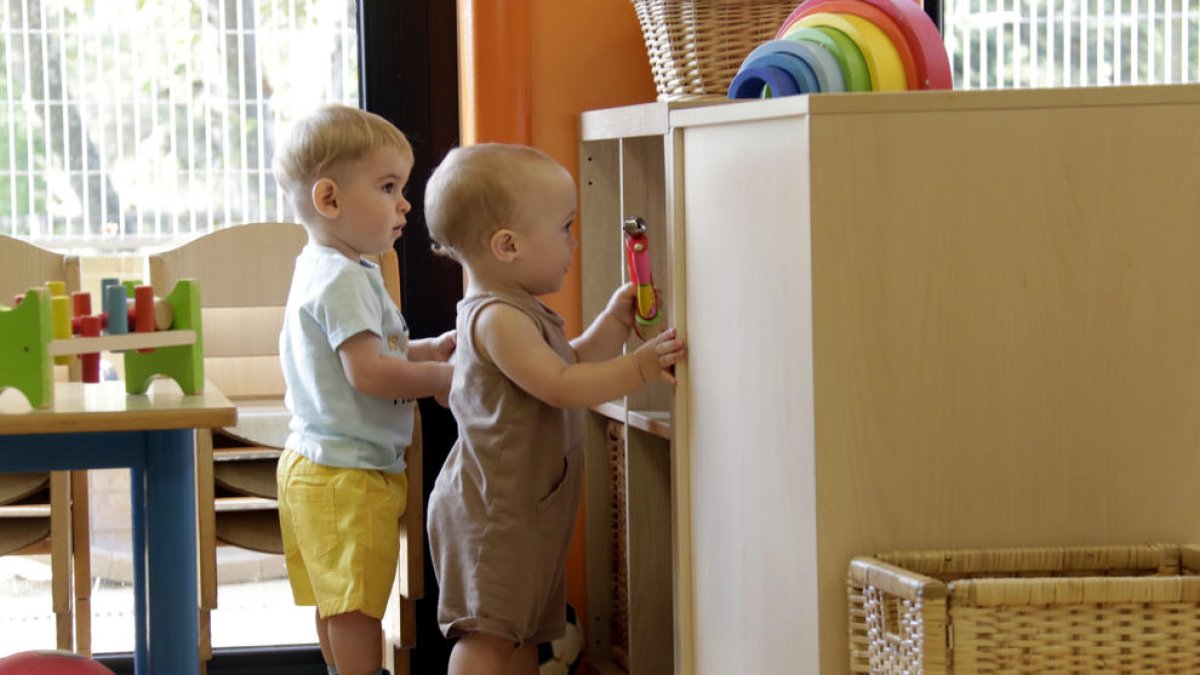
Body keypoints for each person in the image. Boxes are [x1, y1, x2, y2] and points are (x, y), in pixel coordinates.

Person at [424, 143, 686, 675]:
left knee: (523, 637)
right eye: (565, 227)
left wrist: (615, 323)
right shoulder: (498, 319)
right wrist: (637, 368)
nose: (573, 241)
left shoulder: (523, 312)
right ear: (508, 246)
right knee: (490, 638)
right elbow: (562, 385)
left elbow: (573, 360)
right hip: (491, 517)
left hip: (527, 513)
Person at [272, 104, 455, 675]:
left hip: (322, 469)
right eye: (387, 186)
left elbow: (375, 353)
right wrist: (444, 378)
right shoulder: (344, 277)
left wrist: (426, 350)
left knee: (338, 605)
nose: (404, 203)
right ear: (329, 200)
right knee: (355, 610)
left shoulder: (334, 265)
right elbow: (369, 374)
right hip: (346, 478)